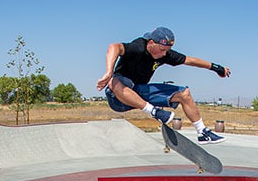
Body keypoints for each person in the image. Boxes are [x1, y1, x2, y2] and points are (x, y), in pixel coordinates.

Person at [96, 27, 231, 144]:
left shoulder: (165, 55)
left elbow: (190, 60)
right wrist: (109, 72)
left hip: (139, 94)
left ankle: (203, 132)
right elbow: (114, 47)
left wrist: (216, 68)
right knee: (113, 80)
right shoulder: (138, 47)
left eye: (167, 50)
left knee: (184, 93)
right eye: (161, 49)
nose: (164, 54)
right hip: (118, 98)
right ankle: (154, 112)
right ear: (151, 43)